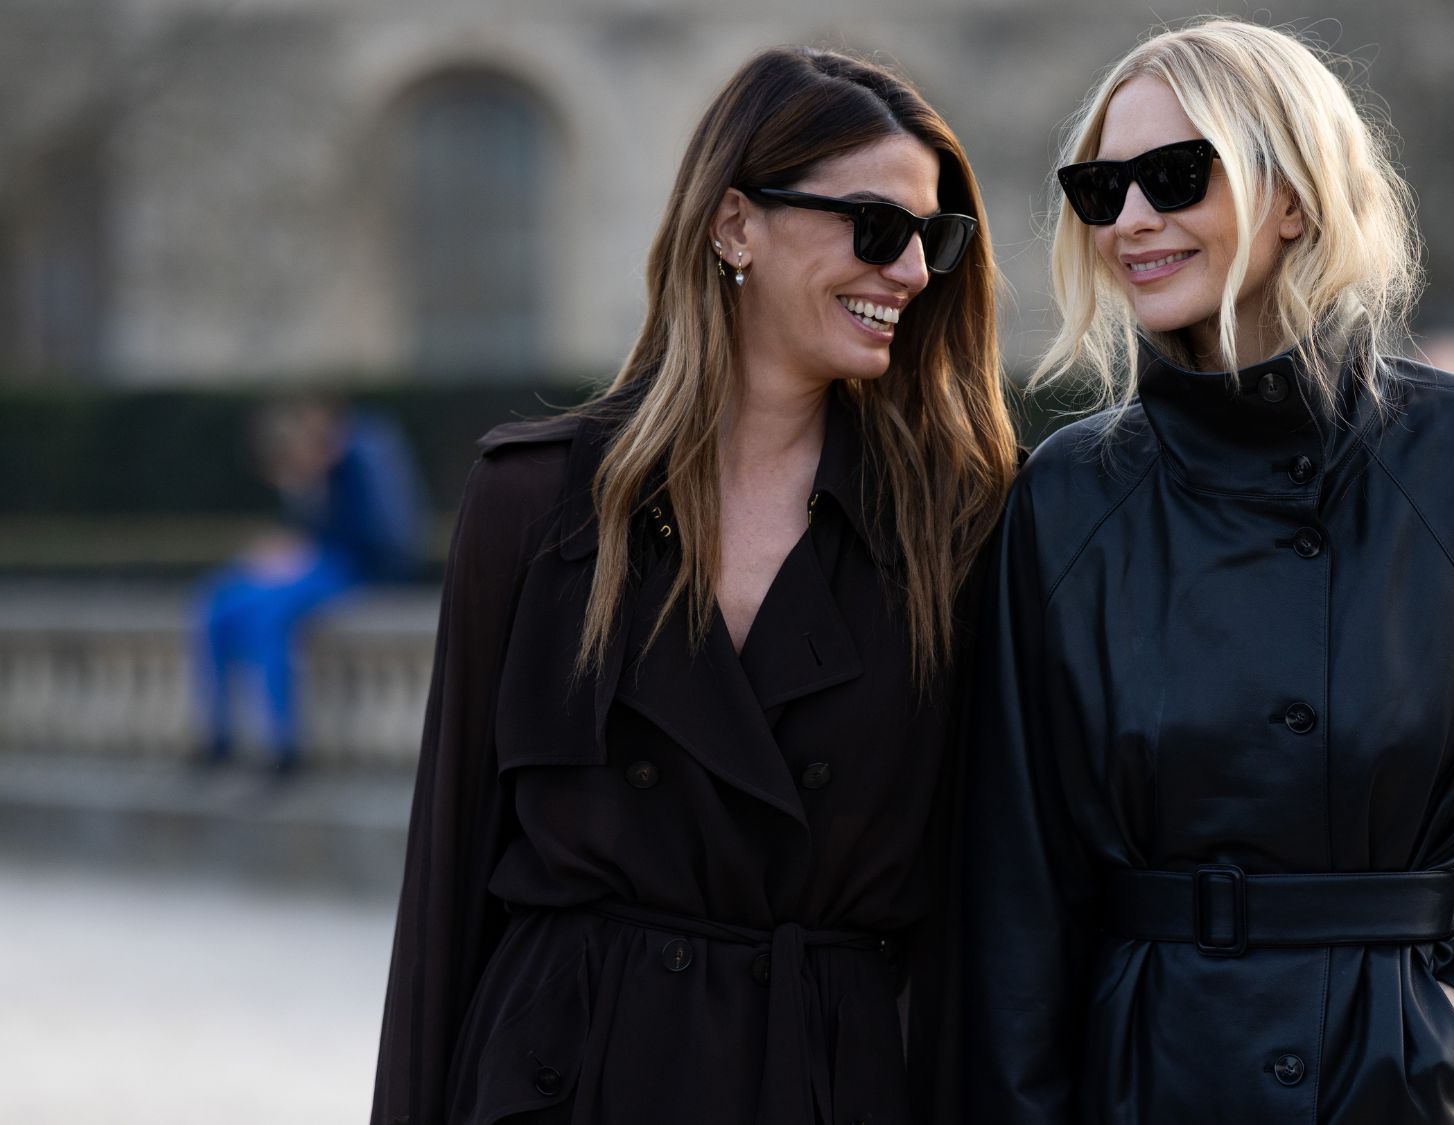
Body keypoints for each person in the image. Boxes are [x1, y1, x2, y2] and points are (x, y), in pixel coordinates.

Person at [960, 20, 1454, 1124]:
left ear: (1293, 196)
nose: (1129, 219)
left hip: (1396, 1076)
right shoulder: (1067, 494)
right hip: (1144, 1079)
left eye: (1175, 176)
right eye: (1099, 188)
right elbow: (1014, 886)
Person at [370, 47, 1014, 1125]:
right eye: (875, 227)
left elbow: (983, 911)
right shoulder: (534, 502)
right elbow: (444, 886)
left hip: (824, 1083)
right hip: (565, 1085)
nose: (910, 271)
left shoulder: (964, 521)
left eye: (932, 238)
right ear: (733, 225)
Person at [190, 396, 426, 776]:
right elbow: (306, 530)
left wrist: (303, 551)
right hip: (320, 561)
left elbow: (379, 537)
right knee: (219, 605)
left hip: (354, 567)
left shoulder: (359, 458)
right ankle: (219, 735)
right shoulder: (317, 468)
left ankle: (285, 744)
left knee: (270, 616)